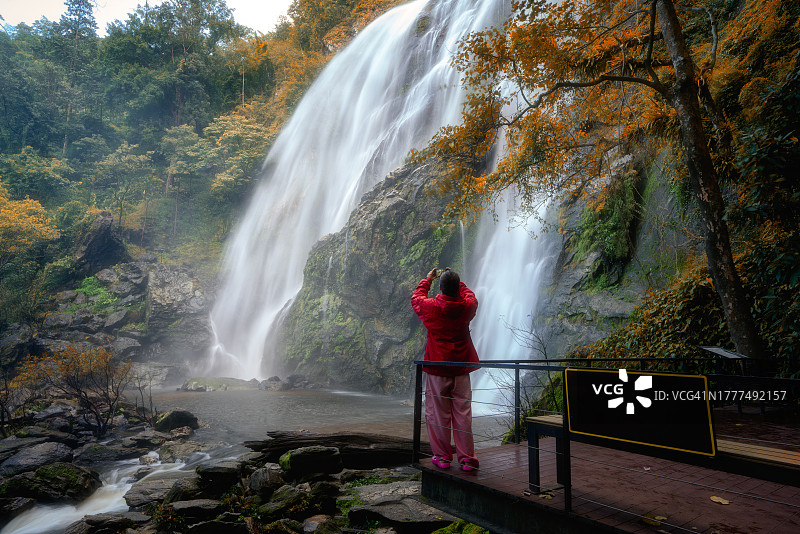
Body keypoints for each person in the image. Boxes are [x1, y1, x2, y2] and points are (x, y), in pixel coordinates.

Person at [411, 267, 480, 472]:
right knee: (463, 414)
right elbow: (471, 297)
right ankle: (467, 459)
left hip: (437, 367)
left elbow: (416, 297)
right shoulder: (467, 307)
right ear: (457, 289)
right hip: (460, 367)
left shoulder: (430, 307)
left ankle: (442, 457)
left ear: (440, 288)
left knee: (437, 414)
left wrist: (427, 279)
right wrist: (460, 283)